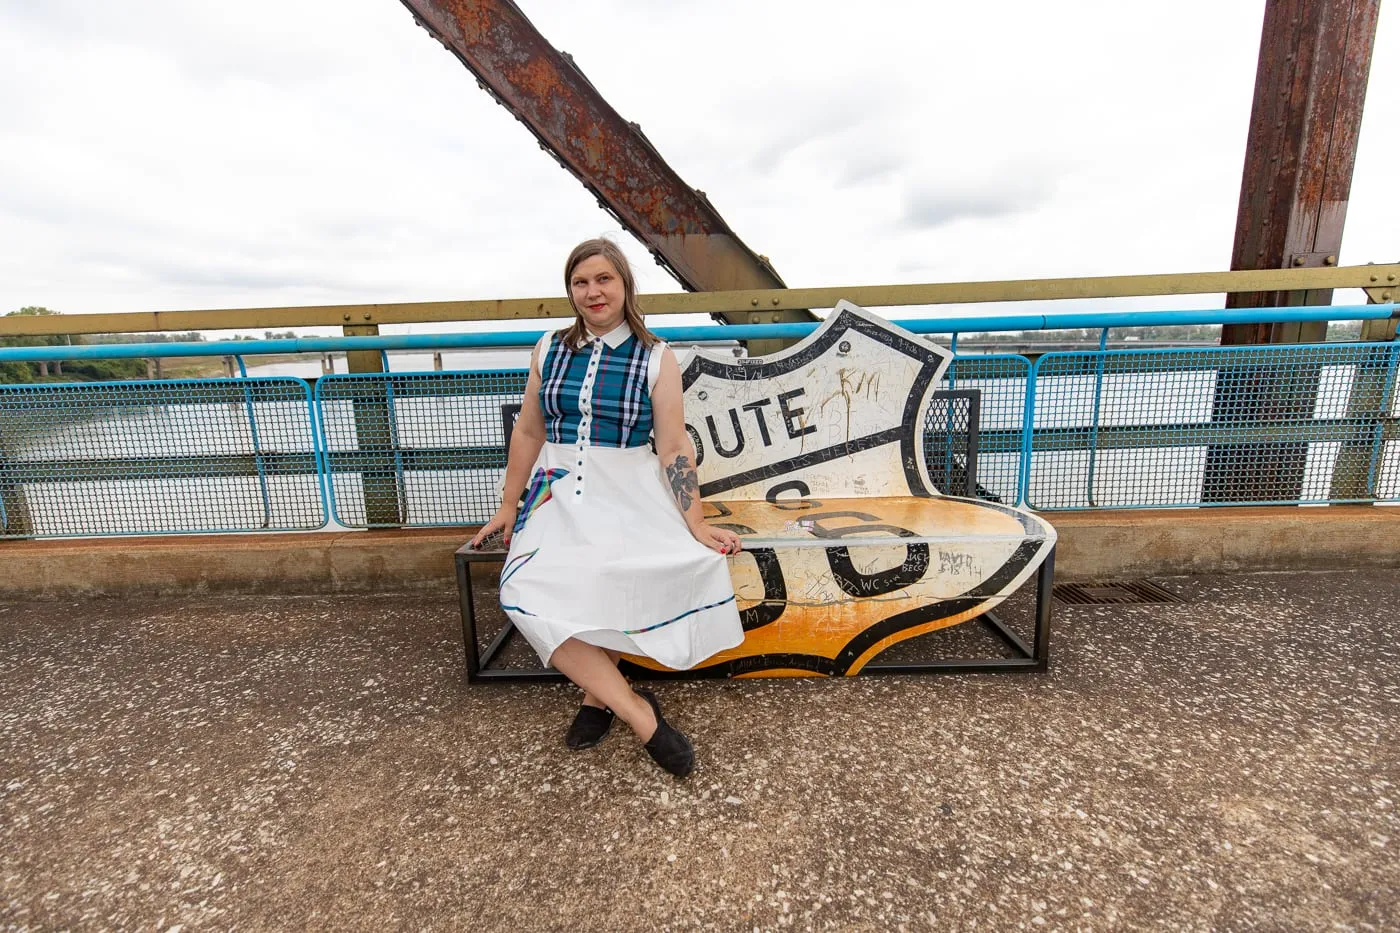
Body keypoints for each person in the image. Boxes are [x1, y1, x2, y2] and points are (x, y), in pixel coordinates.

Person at [469, 238, 744, 778]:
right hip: (555, 493)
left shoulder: (655, 357)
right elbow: (529, 428)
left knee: (612, 576)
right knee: (523, 593)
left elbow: (672, 447)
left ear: (624, 285)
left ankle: (598, 701)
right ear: (570, 290)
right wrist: (507, 506)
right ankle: (642, 716)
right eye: (580, 282)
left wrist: (696, 521)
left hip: (628, 493)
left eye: (603, 280)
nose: (592, 292)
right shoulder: (549, 347)